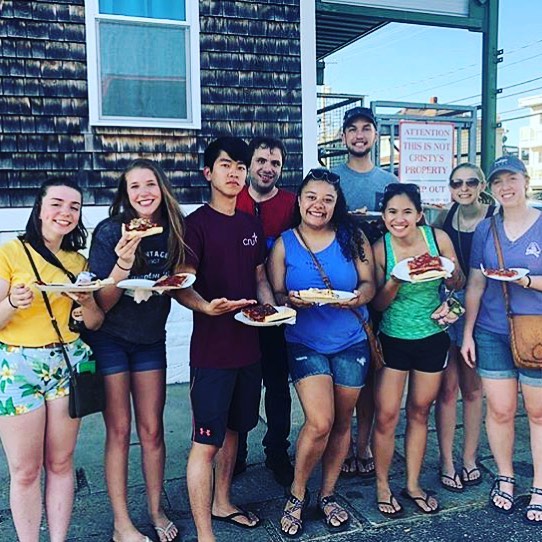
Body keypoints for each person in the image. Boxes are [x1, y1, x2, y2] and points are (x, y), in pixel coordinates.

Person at [174, 137, 276, 542]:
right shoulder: (195, 224)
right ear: (208, 173)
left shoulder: (251, 222)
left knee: (236, 431)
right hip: (212, 352)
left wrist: (271, 311)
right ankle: (204, 534)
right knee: (206, 442)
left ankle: (223, 501)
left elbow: (260, 277)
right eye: (226, 166)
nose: (235, 174)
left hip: (248, 348)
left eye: (239, 167)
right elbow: (180, 284)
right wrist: (205, 307)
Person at [267, 168, 376, 537]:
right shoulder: (284, 243)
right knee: (320, 422)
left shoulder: (352, 236)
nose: (319, 205)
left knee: (343, 422)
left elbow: (368, 284)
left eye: (328, 199)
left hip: (351, 339)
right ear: (299, 200)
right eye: (312, 197)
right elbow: (277, 294)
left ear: (336, 204)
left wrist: (359, 298)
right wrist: (290, 300)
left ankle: (328, 495)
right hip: (304, 341)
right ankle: (297, 494)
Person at [86, 159, 185, 542]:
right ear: (125, 195)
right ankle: (121, 523)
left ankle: (157, 511)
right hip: (110, 338)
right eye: (135, 187)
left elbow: (183, 277)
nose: (144, 193)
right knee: (119, 430)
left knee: (153, 430)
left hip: (150, 339)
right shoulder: (112, 231)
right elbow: (102, 303)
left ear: (161, 188)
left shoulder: (173, 230)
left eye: (150, 184)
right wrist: (123, 263)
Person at [0, 178, 104, 542]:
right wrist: (12, 303)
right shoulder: (10, 253)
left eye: (74, 207)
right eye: (57, 203)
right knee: (25, 471)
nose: (65, 212)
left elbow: (93, 323)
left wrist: (86, 301)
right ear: (40, 209)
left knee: (60, 463)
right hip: (17, 368)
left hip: (65, 364)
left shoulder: (78, 261)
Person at [372, 183, 464, 517]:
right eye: (392, 212)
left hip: (432, 337)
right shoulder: (380, 249)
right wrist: (395, 279)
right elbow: (378, 304)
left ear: (419, 214)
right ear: (384, 216)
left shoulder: (436, 239)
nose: (400, 219)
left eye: (407, 211)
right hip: (394, 338)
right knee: (386, 416)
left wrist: (451, 273)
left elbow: (458, 283)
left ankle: (412, 484)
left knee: (420, 412)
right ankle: (382, 485)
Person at [461, 155, 542, 524]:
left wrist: (526, 281)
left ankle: (540, 485)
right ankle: (506, 477)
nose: (505, 187)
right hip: (492, 330)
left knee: (539, 413)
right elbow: (476, 282)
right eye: (497, 182)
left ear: (525, 180)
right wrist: (467, 333)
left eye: (511, 179)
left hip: (536, 331)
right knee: (501, 409)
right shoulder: (486, 229)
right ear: (491, 189)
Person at [332, 106, 398, 479]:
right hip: (338, 284)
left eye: (366, 129)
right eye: (352, 130)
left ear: (375, 136)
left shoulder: (387, 181)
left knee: (373, 366)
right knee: (344, 370)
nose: (359, 135)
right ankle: (340, 441)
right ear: (343, 137)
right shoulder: (333, 179)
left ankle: (363, 443)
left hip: (380, 283)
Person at [235, 136, 296, 485]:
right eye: (261, 161)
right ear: (249, 165)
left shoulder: (291, 203)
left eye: (274, 163)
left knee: (276, 385)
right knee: (242, 385)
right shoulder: (233, 199)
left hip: (279, 310)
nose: (267, 168)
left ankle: (277, 451)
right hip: (238, 311)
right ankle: (238, 452)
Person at [433, 164, 495, 492]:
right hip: (448, 311)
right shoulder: (443, 219)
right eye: (457, 183)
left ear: (482, 184)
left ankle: (469, 458)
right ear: (450, 187)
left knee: (472, 390)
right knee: (446, 390)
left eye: (471, 181)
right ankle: (446, 461)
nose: (464, 187)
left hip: (483, 313)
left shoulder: (494, 216)